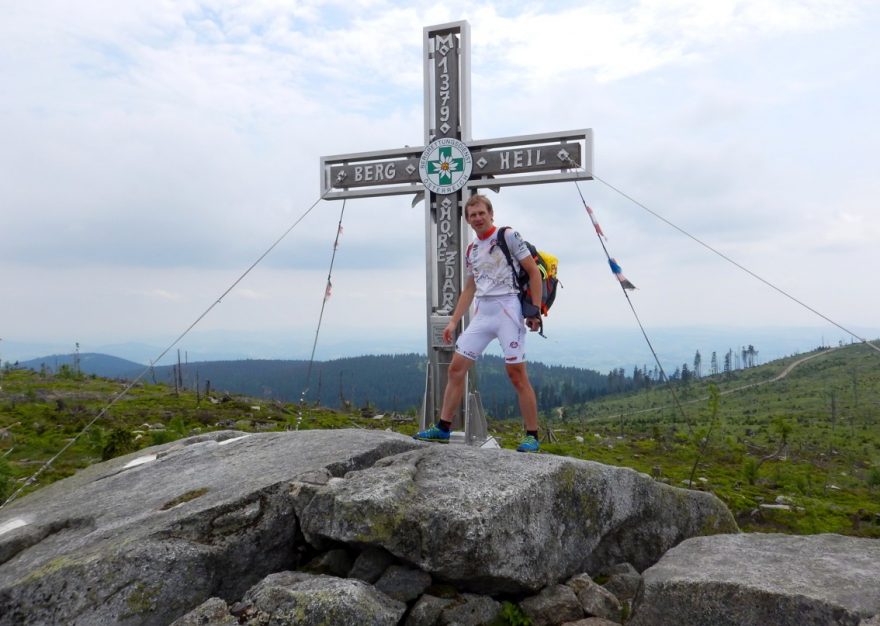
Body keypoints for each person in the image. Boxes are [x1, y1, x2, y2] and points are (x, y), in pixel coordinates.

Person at [414, 193, 544, 452]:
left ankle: (532, 435)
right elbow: (469, 288)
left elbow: (532, 271)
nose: (477, 218)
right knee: (456, 368)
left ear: (491, 214)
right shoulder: (472, 250)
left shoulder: (508, 236)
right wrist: (453, 322)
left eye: (481, 213)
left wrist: (535, 311)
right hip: (483, 312)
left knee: (516, 374)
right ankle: (443, 428)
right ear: (468, 221)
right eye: (472, 215)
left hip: (509, 309)